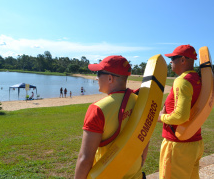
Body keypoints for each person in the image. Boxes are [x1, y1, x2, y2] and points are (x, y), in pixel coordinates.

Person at [75, 55, 148, 179]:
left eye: (98, 73)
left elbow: (85, 158)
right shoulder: (139, 101)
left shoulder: (98, 109)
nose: (96, 78)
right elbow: (145, 139)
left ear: (110, 78)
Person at [158, 45, 203, 179]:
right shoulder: (199, 80)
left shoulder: (183, 80)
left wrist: (161, 117)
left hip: (178, 145)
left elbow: (180, 116)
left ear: (183, 60)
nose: (170, 62)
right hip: (195, 143)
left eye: (172, 58)